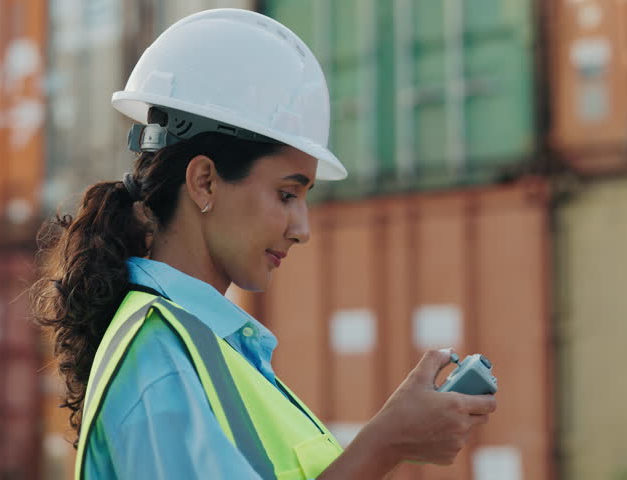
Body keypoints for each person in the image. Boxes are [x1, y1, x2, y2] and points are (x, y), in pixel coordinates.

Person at [31, 8, 496, 480]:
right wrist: (387, 443)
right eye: (287, 194)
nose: (303, 229)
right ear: (205, 183)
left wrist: (390, 442)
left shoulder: (214, 352)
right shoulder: (160, 362)